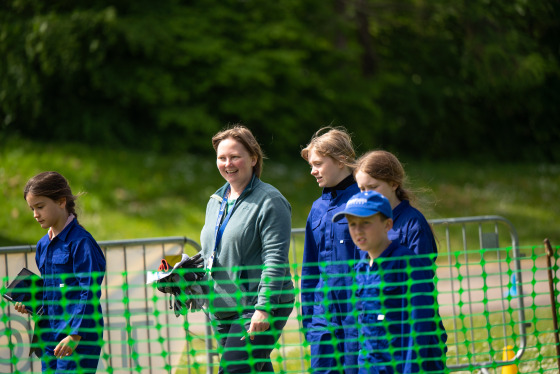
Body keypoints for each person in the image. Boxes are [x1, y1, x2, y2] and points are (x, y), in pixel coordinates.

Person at [199, 125, 295, 373]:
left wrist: (263, 308)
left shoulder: (270, 201)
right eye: (222, 158)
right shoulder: (216, 200)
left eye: (235, 156)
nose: (227, 163)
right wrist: (183, 275)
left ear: (253, 158)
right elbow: (211, 253)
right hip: (222, 309)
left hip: (256, 308)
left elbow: (275, 259)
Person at [333, 191, 447, 373]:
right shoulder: (361, 268)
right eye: (352, 224)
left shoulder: (407, 264)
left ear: (387, 224)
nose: (358, 230)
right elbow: (360, 326)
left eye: (366, 223)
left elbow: (421, 325)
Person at [15, 171, 106, 373]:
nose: (35, 214)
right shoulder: (42, 245)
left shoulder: (82, 243)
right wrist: (30, 301)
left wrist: (75, 335)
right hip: (49, 335)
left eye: (40, 207)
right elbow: (52, 290)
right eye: (32, 208)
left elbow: (88, 293)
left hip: (78, 339)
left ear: (61, 201)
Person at [300, 127, 361, 373]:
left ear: (341, 161)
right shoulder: (316, 208)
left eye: (318, 164)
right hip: (323, 317)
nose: (312, 171)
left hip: (356, 314)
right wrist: (310, 318)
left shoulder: (364, 201)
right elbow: (309, 267)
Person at [354, 150, 437, 261]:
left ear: (393, 184)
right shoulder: (362, 222)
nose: (367, 194)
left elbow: (421, 274)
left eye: (373, 187)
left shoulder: (414, 224)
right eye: (362, 189)